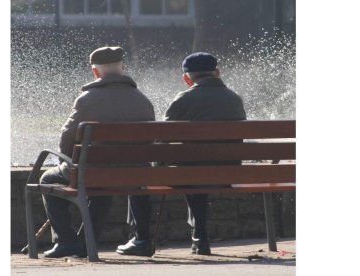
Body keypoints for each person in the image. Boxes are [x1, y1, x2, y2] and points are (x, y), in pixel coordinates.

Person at [117, 52, 246, 256]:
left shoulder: (185, 98)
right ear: (217, 73)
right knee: (197, 170)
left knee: (146, 173)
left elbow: (162, 139)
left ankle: (139, 238)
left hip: (190, 174)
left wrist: (158, 167)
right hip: (228, 174)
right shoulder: (235, 99)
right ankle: (199, 237)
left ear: (187, 78)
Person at [41, 46, 155, 258]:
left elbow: (66, 143)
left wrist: (73, 161)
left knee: (48, 178)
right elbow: (149, 141)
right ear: (122, 68)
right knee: (101, 181)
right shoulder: (142, 99)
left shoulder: (86, 99)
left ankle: (66, 242)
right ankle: (85, 243)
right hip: (134, 173)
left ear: (95, 72)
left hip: (93, 172)